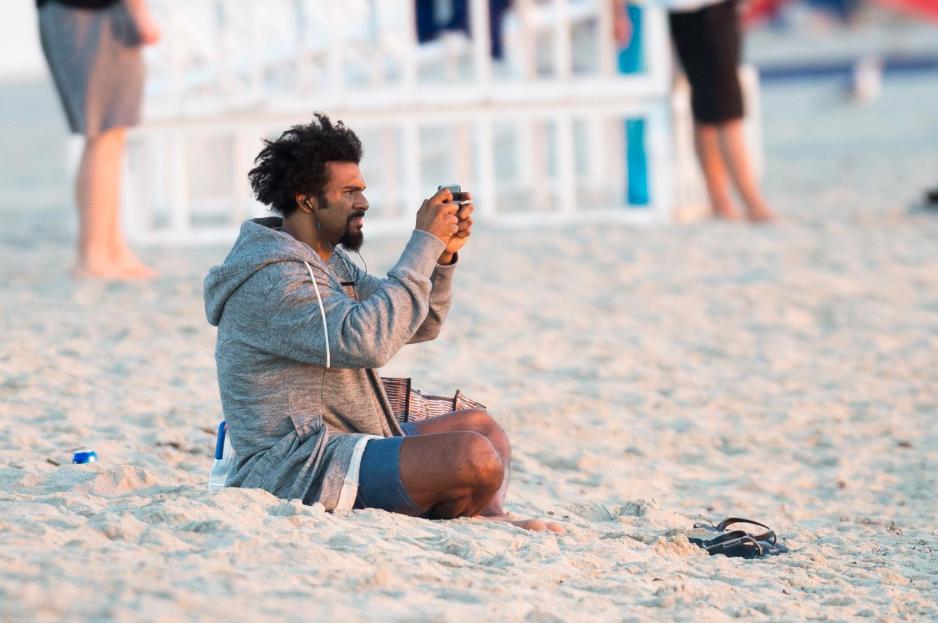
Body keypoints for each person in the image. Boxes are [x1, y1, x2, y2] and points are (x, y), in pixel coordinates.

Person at [203, 114, 560, 532]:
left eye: (363, 190)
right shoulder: (275, 278)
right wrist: (422, 243)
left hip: (340, 439)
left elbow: (416, 322)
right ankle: (479, 517)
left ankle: (487, 519)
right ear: (307, 201)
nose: (364, 202)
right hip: (295, 466)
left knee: (483, 429)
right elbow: (366, 343)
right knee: (473, 456)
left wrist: (441, 259)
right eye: (349, 192)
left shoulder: (325, 261)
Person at [616, 0, 775, 222]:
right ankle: (751, 202)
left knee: (706, 109)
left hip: (686, 10)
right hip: (704, 10)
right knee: (725, 109)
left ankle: (721, 201)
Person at [37, 0, 161, 279]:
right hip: (88, 15)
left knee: (111, 134)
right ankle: (93, 254)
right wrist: (140, 11)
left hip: (79, 13)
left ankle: (109, 248)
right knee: (104, 134)